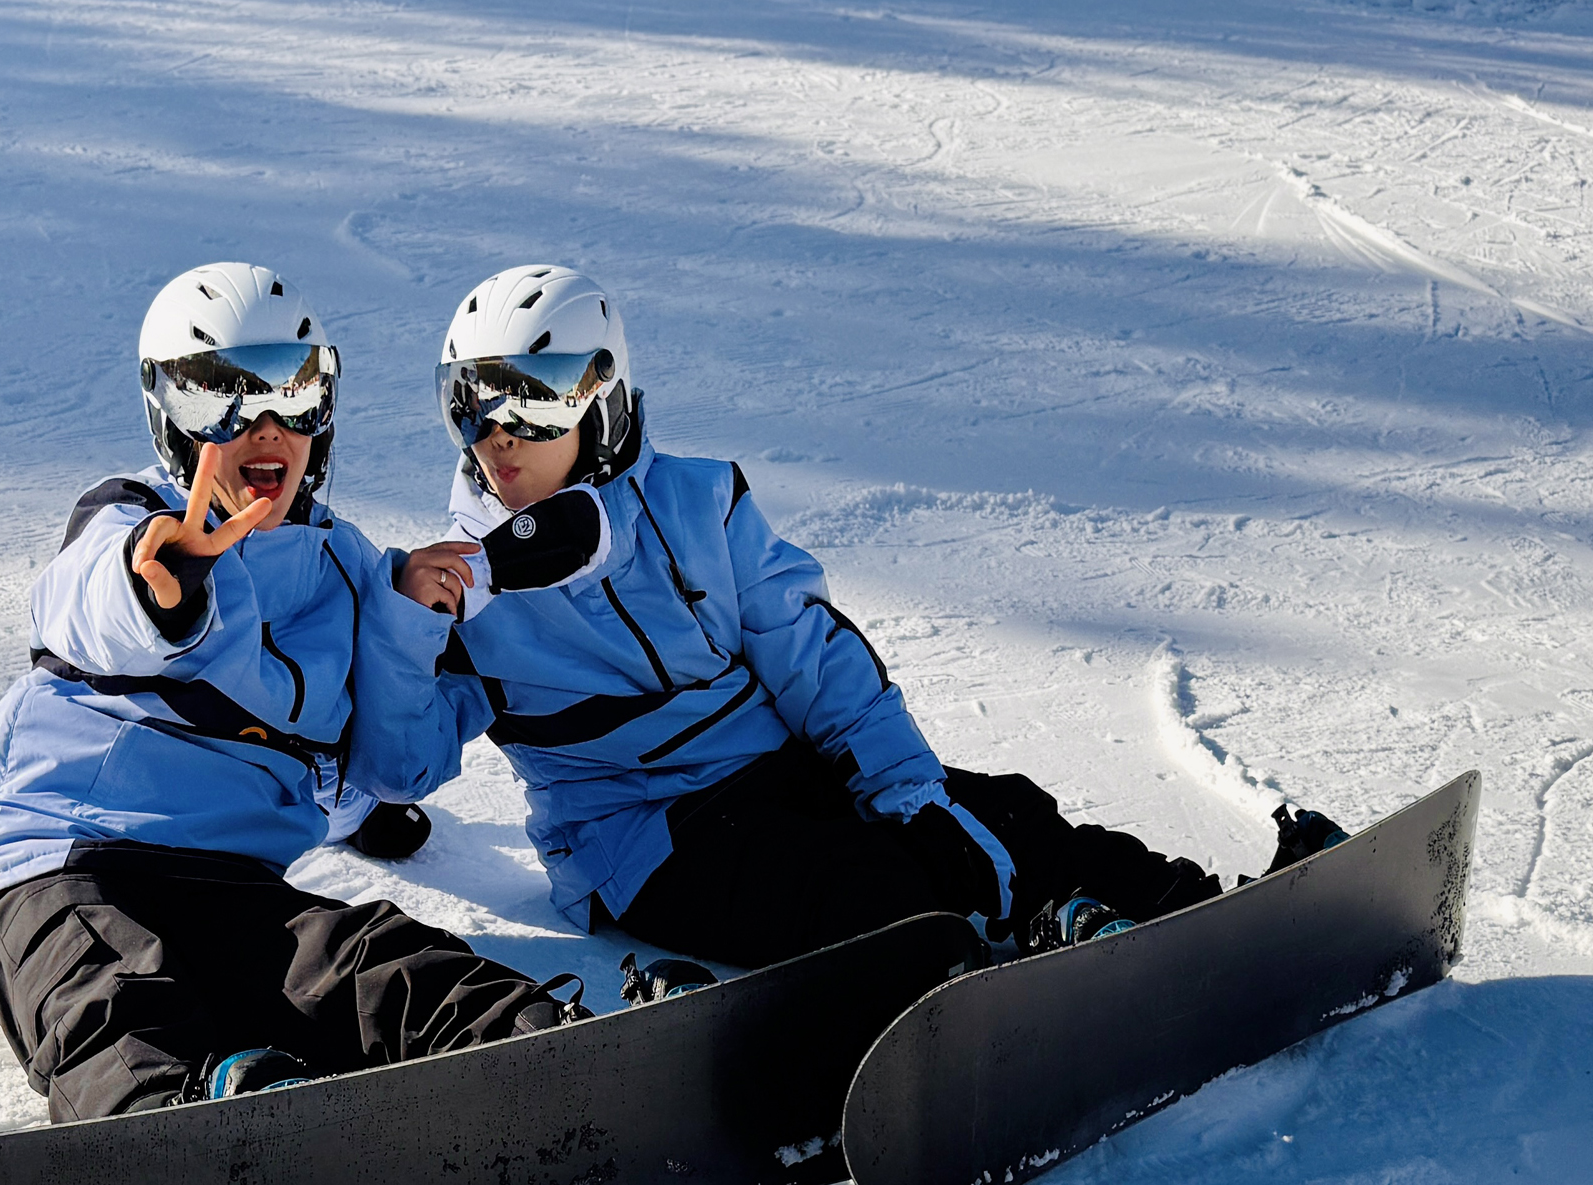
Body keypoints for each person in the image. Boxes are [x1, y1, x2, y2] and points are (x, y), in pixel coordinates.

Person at [414, 265, 1344, 971]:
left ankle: (1205, 916)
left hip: (778, 768)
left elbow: (814, 659)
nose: (500, 435)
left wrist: (912, 793)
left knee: (1000, 813)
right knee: (862, 887)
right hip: (642, 836)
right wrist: (410, 634)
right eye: (474, 402)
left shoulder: (701, 504)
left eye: (533, 402)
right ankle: (977, 993)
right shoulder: (460, 588)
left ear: (603, 400)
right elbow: (391, 755)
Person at [0, 261, 578, 1122]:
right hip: (49, 858)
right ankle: (171, 1148)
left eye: (292, 393)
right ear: (168, 417)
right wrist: (163, 581)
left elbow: (397, 764)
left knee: (380, 966)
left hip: (227, 882)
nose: (264, 425)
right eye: (217, 399)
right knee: (113, 1001)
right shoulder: (133, 519)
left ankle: (563, 1064)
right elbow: (77, 605)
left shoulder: (351, 573)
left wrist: (413, 622)